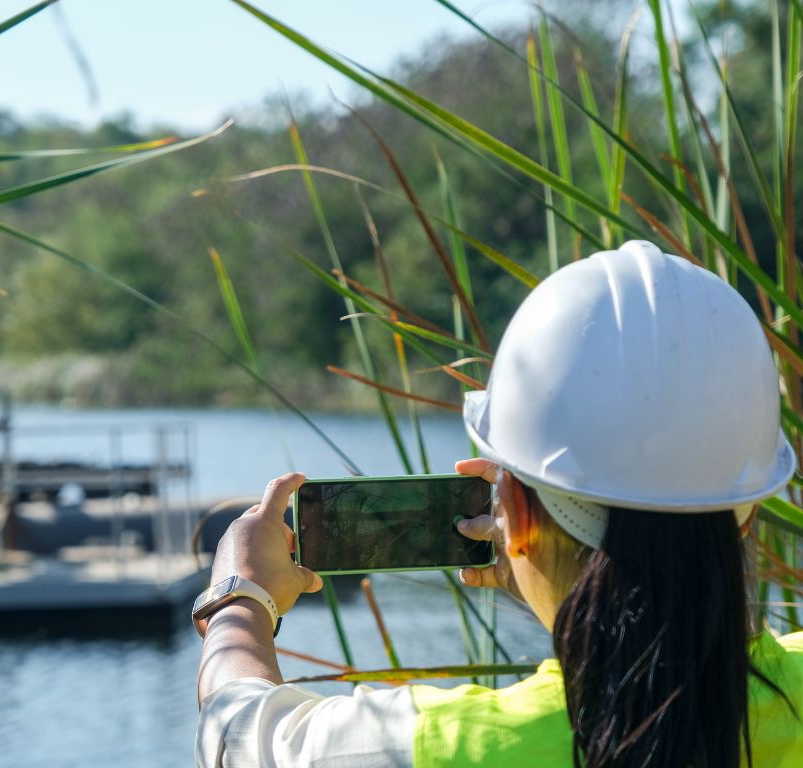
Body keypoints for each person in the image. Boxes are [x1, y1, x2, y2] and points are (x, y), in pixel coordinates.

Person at [194, 241, 803, 767]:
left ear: (517, 510)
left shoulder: (459, 747)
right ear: (747, 507)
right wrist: (560, 585)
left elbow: (235, 738)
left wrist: (239, 598)